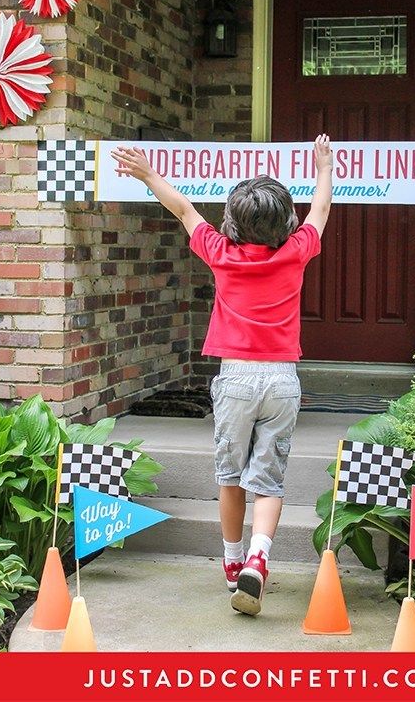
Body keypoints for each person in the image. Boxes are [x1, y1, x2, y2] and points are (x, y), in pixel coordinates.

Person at [110, 135, 333, 616]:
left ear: (232, 221)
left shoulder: (221, 252)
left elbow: (184, 209)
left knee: (230, 475)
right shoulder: (295, 252)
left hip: (234, 381)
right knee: (269, 480)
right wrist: (324, 167)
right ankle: (259, 557)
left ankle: (233, 565)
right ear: (286, 222)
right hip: (281, 382)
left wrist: (147, 173)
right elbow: (320, 212)